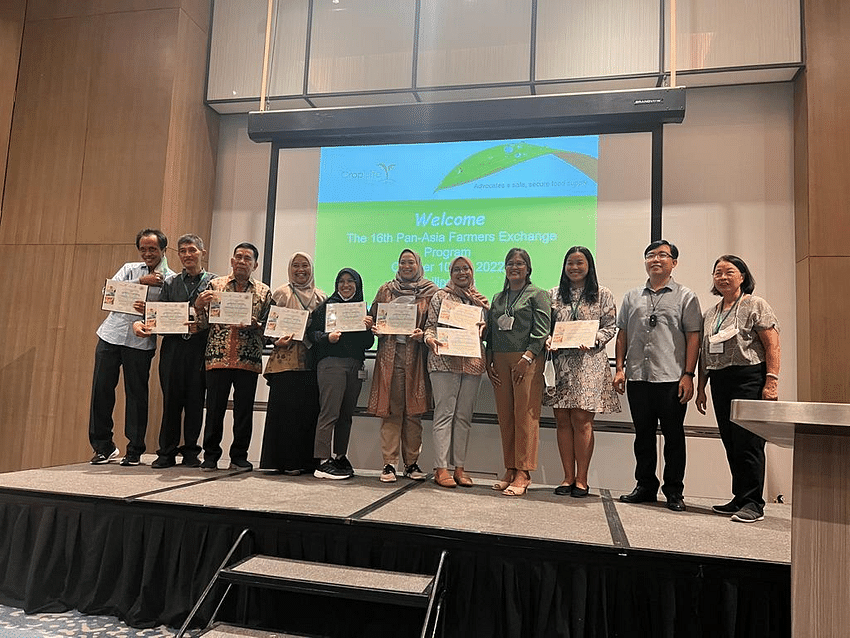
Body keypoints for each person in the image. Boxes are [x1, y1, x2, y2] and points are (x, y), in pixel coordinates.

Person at [613, 240, 702, 512]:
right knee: (643, 436)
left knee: (674, 437)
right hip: (639, 376)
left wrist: (689, 374)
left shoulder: (686, 296)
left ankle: (674, 491)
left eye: (663, 255)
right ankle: (645, 486)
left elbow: (693, 337)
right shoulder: (631, 297)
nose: (656, 259)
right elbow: (623, 334)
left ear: (674, 263)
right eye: (651, 255)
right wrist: (619, 368)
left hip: (672, 378)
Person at [695, 255, 780, 523]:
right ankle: (740, 497)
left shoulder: (756, 304)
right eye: (717, 272)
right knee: (730, 441)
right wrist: (701, 387)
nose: (722, 277)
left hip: (749, 378)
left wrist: (771, 381)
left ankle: (754, 503)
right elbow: (704, 354)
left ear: (742, 276)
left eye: (729, 271)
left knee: (749, 442)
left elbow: (772, 345)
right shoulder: (712, 313)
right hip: (720, 380)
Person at [89, 229, 174, 466]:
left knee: (136, 395)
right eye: (143, 249)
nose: (147, 253)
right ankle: (103, 446)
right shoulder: (129, 269)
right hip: (111, 334)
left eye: (153, 249)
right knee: (101, 390)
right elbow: (108, 294)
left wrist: (148, 312)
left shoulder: (170, 278)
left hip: (140, 341)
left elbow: (167, 315)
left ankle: (134, 449)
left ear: (163, 250)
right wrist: (140, 282)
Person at [133, 234, 215, 469]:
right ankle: (166, 452)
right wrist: (148, 319)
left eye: (192, 250)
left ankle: (191, 451)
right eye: (183, 251)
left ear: (202, 252)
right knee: (171, 402)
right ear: (177, 255)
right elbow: (163, 320)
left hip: (200, 349)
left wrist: (195, 314)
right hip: (172, 349)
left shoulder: (214, 283)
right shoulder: (170, 283)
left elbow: (217, 320)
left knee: (195, 402)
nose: (187, 255)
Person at [545, 246, 620, 497]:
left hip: (589, 363)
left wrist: (595, 338)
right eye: (570, 263)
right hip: (560, 364)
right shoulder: (553, 294)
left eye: (580, 263)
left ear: (589, 266)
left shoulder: (602, 294)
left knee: (582, 420)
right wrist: (547, 339)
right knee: (562, 421)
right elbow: (546, 326)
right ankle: (567, 477)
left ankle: (582, 480)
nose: (574, 268)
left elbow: (611, 327)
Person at [194, 243, 271, 471]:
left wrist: (257, 324)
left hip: (248, 358)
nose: (242, 261)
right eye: (238, 257)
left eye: (247, 258)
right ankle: (210, 456)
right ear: (231, 260)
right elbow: (201, 325)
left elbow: (269, 328)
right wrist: (198, 306)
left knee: (244, 412)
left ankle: (239, 456)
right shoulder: (214, 286)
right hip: (218, 356)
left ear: (255, 264)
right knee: (215, 409)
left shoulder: (264, 292)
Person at [485, 248, 551, 496]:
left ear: (528, 268)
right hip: (499, 361)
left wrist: (528, 357)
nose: (515, 267)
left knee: (525, 416)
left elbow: (542, 329)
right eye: (510, 263)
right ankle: (510, 468)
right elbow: (491, 331)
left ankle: (524, 472)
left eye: (520, 263)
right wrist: (489, 358)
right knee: (506, 417)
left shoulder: (538, 294)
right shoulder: (498, 298)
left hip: (527, 361)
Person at [369, 249, 439, 483]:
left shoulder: (431, 291)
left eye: (411, 262)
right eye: (402, 262)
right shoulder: (386, 289)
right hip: (389, 357)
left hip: (417, 358)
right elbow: (373, 317)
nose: (406, 266)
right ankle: (389, 464)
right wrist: (374, 327)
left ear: (418, 264)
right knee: (391, 411)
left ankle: (411, 464)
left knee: (414, 413)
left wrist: (425, 334)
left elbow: (435, 323)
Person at [424, 256, 489, 488]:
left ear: (472, 271)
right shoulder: (440, 296)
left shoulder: (480, 301)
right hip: (443, 361)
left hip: (471, 363)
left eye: (466, 269)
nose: (462, 273)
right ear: (450, 272)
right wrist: (430, 339)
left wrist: (485, 325)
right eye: (457, 269)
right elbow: (430, 326)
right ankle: (441, 468)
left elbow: (485, 332)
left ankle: (459, 468)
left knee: (464, 417)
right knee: (444, 414)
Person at [260, 252, 327, 473]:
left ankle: (306, 463)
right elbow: (267, 326)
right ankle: (284, 462)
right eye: (296, 265)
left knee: (308, 414)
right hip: (285, 362)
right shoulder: (281, 293)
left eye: (305, 265)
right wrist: (275, 339)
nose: (301, 270)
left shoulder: (321, 297)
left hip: (312, 364)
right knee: (286, 413)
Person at [309, 268, 375, 480]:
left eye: (351, 281)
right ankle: (322, 461)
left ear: (358, 284)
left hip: (355, 366)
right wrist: (327, 338)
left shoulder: (361, 310)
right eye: (341, 281)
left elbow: (367, 344)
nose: (346, 285)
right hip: (331, 365)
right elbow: (312, 334)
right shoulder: (326, 307)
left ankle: (339, 456)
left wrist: (368, 328)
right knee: (330, 413)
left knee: (346, 415)